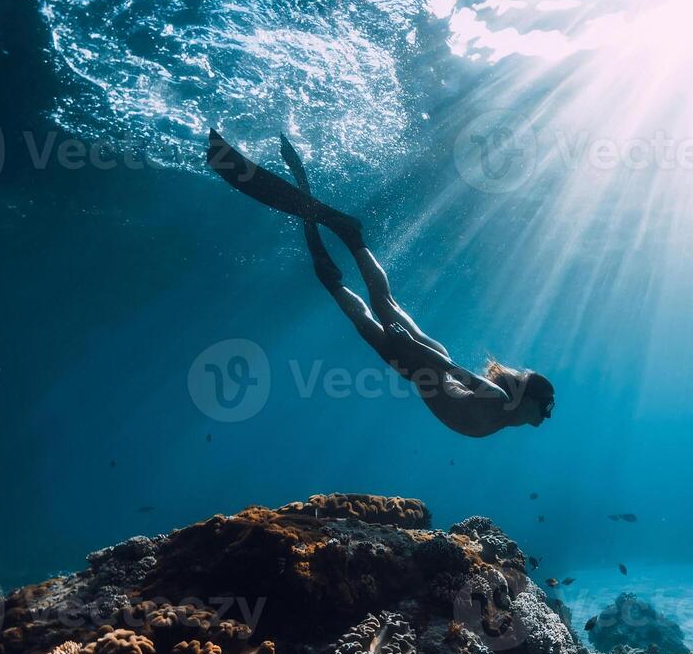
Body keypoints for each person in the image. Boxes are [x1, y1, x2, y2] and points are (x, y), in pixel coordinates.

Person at [206, 130, 554, 438]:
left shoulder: (504, 416)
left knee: (371, 315)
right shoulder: (499, 400)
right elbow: (452, 371)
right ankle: (352, 239)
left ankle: (338, 267)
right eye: (547, 408)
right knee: (382, 305)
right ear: (530, 402)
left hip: (419, 371)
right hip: (424, 362)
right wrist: (413, 348)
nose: (546, 416)